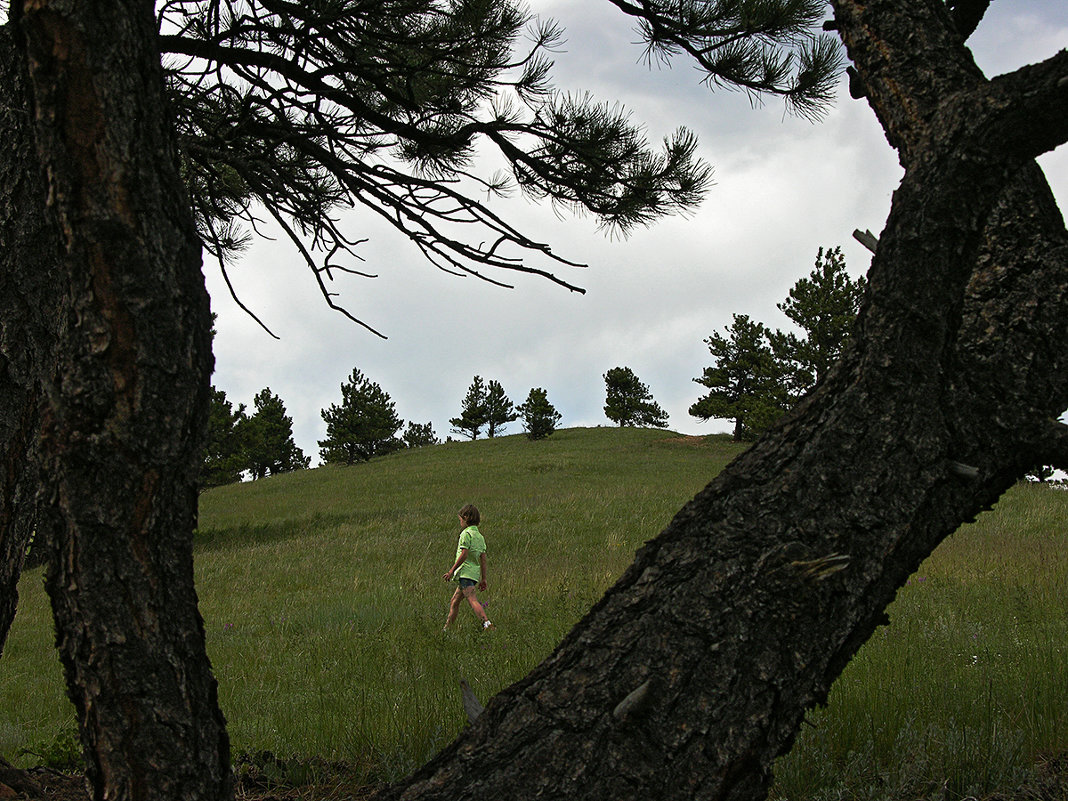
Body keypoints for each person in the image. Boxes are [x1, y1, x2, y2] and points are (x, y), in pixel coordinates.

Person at [443, 504, 494, 631]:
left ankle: (487, 624)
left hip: (465, 573)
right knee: (454, 602)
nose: (460, 522)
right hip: (473, 574)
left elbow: (464, 554)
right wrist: (484, 579)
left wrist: (451, 571)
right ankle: (446, 630)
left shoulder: (466, 534)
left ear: (466, 517)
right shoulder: (480, 537)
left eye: (460, 519)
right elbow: (483, 559)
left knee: (472, 600)